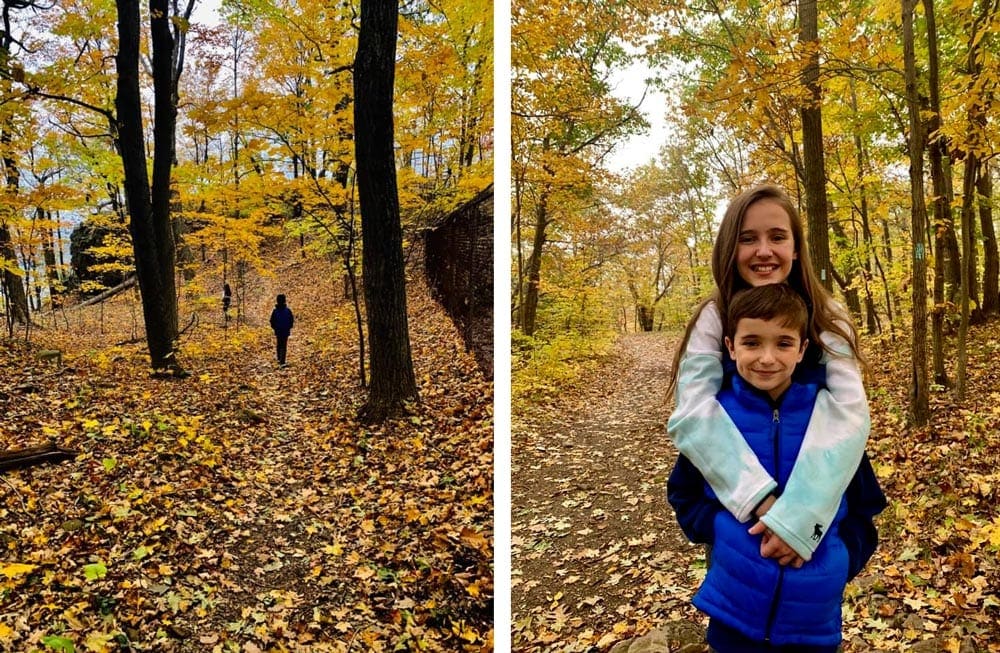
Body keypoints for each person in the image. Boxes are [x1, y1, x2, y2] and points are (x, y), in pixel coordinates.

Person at [668, 284, 886, 651]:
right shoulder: (713, 419)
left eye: (783, 343)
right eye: (752, 342)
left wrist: (841, 560)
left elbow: (865, 505)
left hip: (813, 621)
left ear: (802, 350)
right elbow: (684, 492)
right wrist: (721, 530)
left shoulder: (832, 420)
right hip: (733, 616)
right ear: (730, 346)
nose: (767, 358)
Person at [666, 184, 870, 567]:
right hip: (741, 532)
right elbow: (693, 413)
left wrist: (807, 525)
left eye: (777, 237)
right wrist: (756, 503)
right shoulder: (714, 317)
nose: (763, 251)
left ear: (795, 247)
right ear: (730, 248)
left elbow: (850, 414)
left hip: (819, 535)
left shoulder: (829, 319)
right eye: (748, 239)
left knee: (807, 619)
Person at [269, 294, 294, 366]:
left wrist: (275, 328)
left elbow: (272, 321)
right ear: (284, 301)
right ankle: (282, 360)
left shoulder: (275, 311)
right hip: (285, 330)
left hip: (278, 330)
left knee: (279, 344)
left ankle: (279, 358)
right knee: (284, 345)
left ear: (277, 301)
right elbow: (291, 320)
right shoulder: (288, 310)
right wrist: (289, 327)